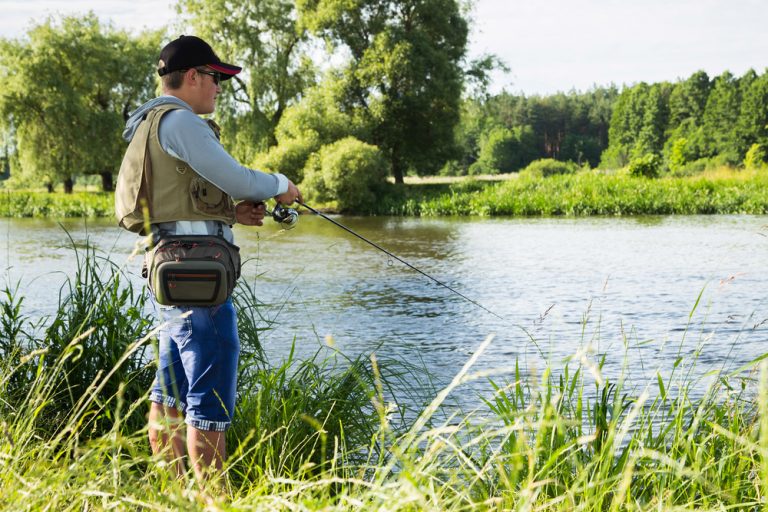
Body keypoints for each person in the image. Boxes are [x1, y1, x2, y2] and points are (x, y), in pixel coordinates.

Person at [115, 35, 302, 486]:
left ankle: (175, 492)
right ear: (194, 76)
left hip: (171, 274)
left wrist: (228, 214)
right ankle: (212, 499)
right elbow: (235, 177)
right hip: (200, 282)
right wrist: (281, 184)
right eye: (216, 78)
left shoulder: (148, 121)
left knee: (170, 392)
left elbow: (173, 204)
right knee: (208, 397)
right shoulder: (180, 122)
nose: (219, 87)